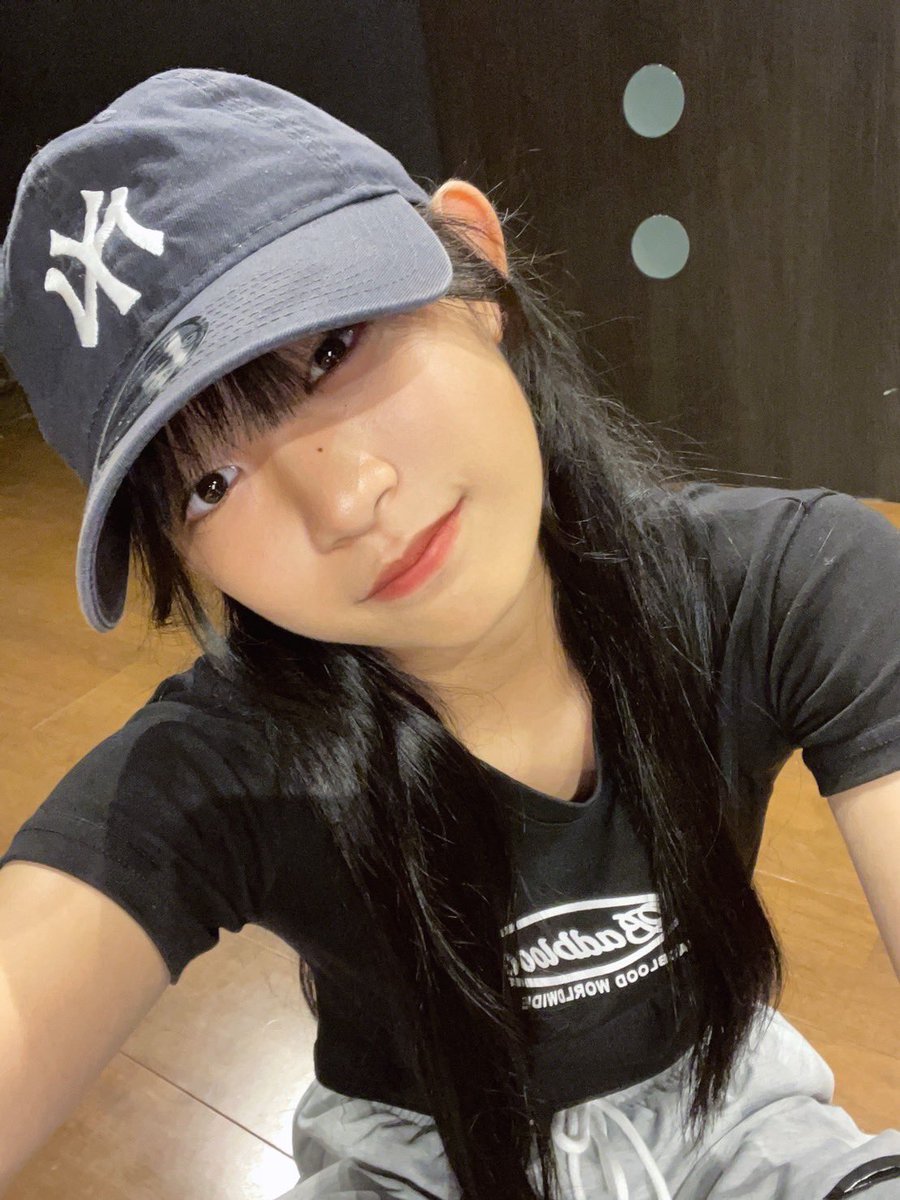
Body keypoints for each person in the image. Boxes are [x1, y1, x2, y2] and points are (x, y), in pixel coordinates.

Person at [0, 67, 898, 1200]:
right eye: (210, 483)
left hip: (728, 1101)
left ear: (473, 268)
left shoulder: (794, 585)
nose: (343, 504)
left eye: (331, 348)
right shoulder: (220, 765)